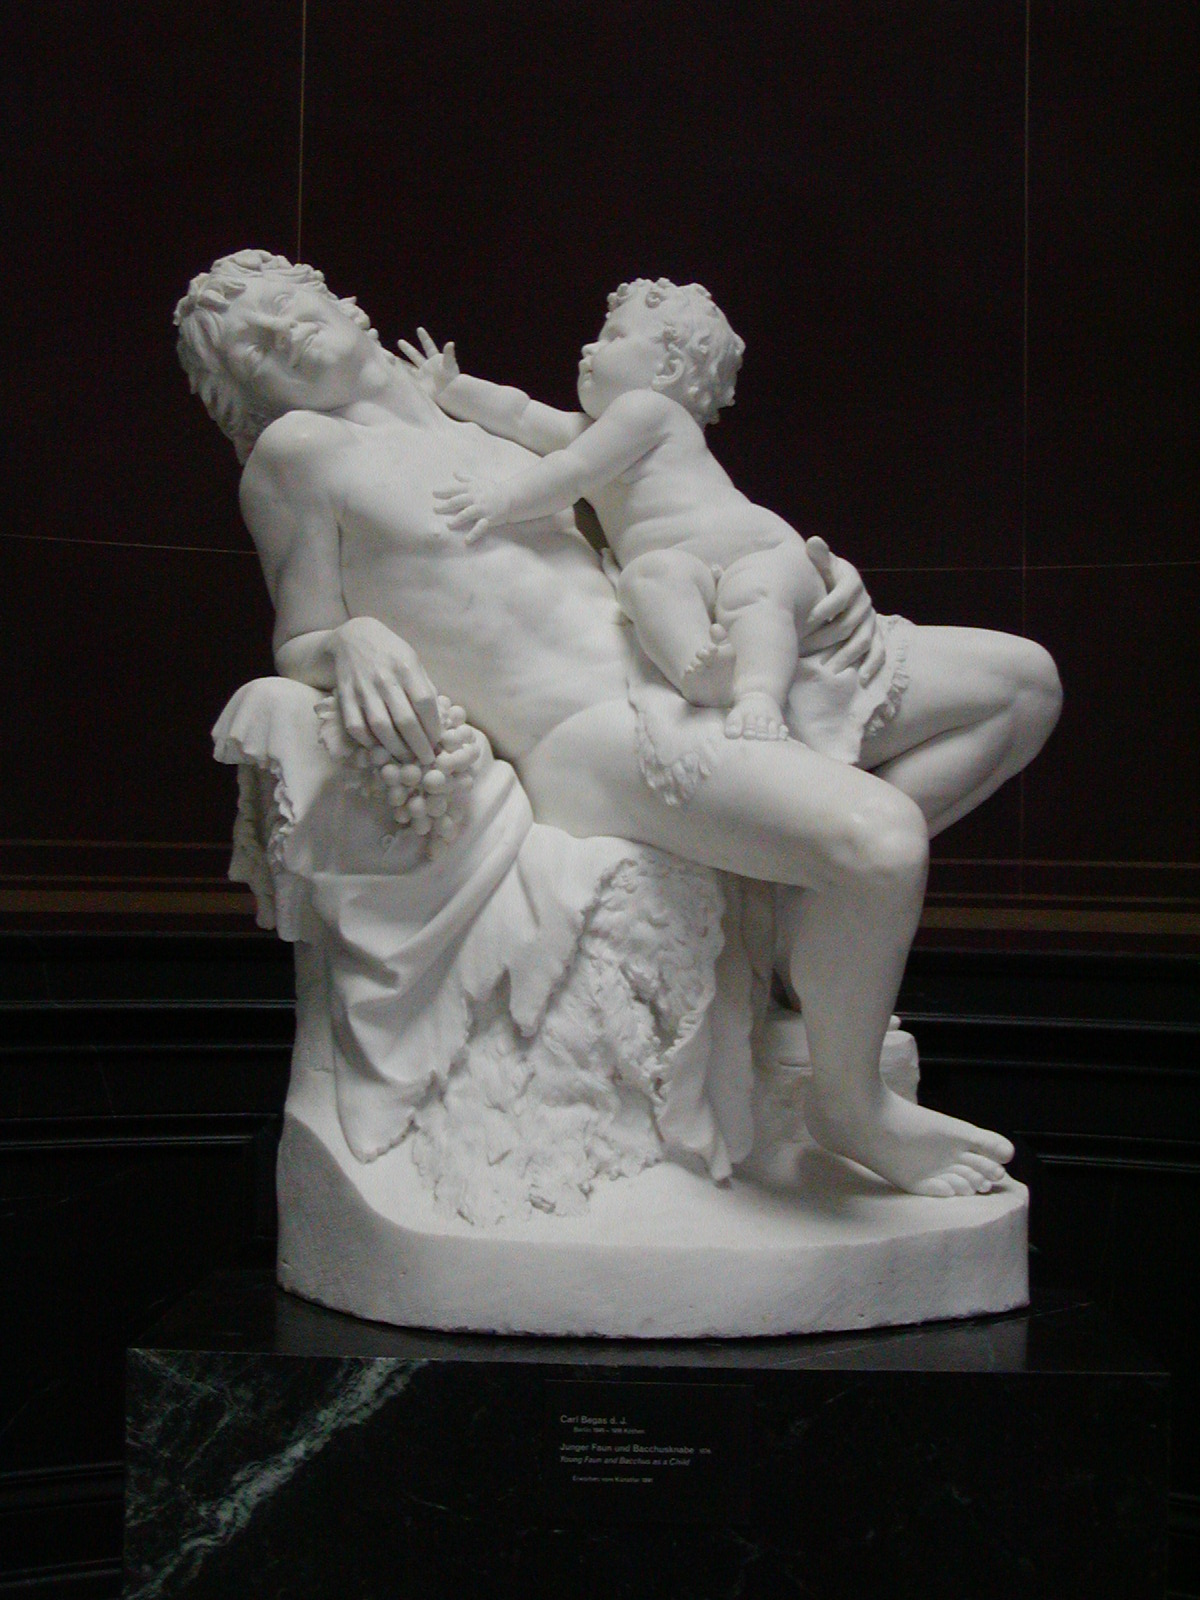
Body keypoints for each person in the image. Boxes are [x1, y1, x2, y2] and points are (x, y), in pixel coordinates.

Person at [175, 249, 1062, 1198]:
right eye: (253, 347)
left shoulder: (479, 424)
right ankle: (850, 1104)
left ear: (346, 304)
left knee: (1022, 686)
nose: (284, 333)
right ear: (244, 395)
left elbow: (669, 520)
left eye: (289, 305)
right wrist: (351, 641)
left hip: (686, 655)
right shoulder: (299, 454)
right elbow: (299, 638)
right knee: (881, 842)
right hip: (589, 730)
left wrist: (802, 572)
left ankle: (804, 914)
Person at [419, 278, 865, 754]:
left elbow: (571, 472)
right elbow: (521, 415)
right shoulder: (597, 431)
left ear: (668, 369)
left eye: (614, 337)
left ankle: (759, 695)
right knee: (646, 578)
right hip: (684, 561)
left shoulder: (648, 410)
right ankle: (699, 670)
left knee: (754, 596)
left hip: (759, 548)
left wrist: (502, 500)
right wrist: (452, 388)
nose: (590, 347)